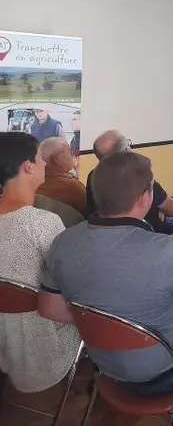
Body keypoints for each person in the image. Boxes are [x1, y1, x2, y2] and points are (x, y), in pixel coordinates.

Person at [39, 151, 173, 397]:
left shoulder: (62, 242)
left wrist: (110, 325)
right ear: (146, 197)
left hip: (106, 368)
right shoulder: (170, 250)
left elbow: (50, 309)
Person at [0, 132, 80, 394]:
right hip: (40, 339)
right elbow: (71, 283)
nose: (44, 163)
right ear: (28, 166)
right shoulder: (42, 223)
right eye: (39, 158)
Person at [86, 130, 173, 248]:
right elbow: (172, 209)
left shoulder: (93, 177)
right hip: (151, 236)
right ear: (125, 152)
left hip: (105, 238)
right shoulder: (138, 175)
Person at [37, 137, 88, 217]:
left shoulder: (34, 183)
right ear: (58, 157)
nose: (73, 155)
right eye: (70, 152)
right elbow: (90, 212)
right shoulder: (72, 187)